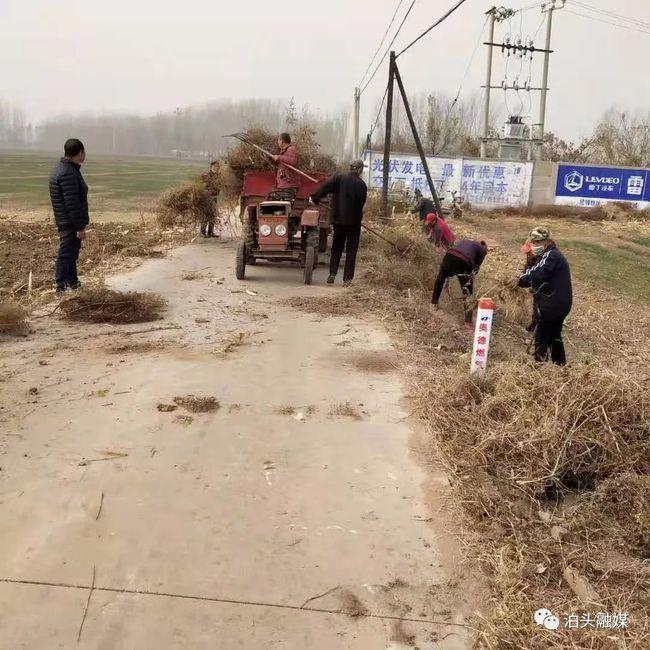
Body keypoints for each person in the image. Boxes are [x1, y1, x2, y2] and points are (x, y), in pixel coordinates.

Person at [516, 227, 572, 365]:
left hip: (553, 303)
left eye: (538, 242)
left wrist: (520, 280)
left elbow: (539, 273)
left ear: (547, 241)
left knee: (542, 336)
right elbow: (532, 272)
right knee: (554, 335)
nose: (535, 245)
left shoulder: (551, 255)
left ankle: (539, 367)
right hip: (559, 302)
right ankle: (560, 365)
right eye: (533, 242)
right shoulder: (544, 255)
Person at [310, 160, 368, 286]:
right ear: (359, 170)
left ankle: (332, 273)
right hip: (354, 223)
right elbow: (361, 204)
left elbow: (325, 188)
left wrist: (315, 197)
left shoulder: (339, 179)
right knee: (351, 250)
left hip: (338, 221)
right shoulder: (362, 185)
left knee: (337, 248)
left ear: (351, 168)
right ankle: (347, 279)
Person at [49, 138, 89, 294]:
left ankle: (73, 283)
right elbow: (72, 203)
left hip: (65, 219)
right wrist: (80, 227)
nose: (85, 155)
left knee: (71, 253)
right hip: (69, 222)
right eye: (83, 152)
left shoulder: (63, 169)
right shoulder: (68, 173)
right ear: (79, 153)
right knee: (66, 254)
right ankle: (61, 287)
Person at [431, 239, 488, 326]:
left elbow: (455, 251)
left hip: (449, 256)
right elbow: (476, 269)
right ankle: (468, 322)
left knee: (440, 279)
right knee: (467, 292)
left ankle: (433, 304)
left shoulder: (465, 241)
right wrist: (470, 279)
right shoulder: (482, 250)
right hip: (463, 261)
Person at [272, 132, 300, 197]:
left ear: (282, 141)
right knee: (282, 206)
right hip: (284, 185)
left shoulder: (291, 149)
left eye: (278, 140)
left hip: (289, 185)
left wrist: (279, 157)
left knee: (286, 205)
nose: (278, 142)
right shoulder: (283, 151)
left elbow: (293, 161)